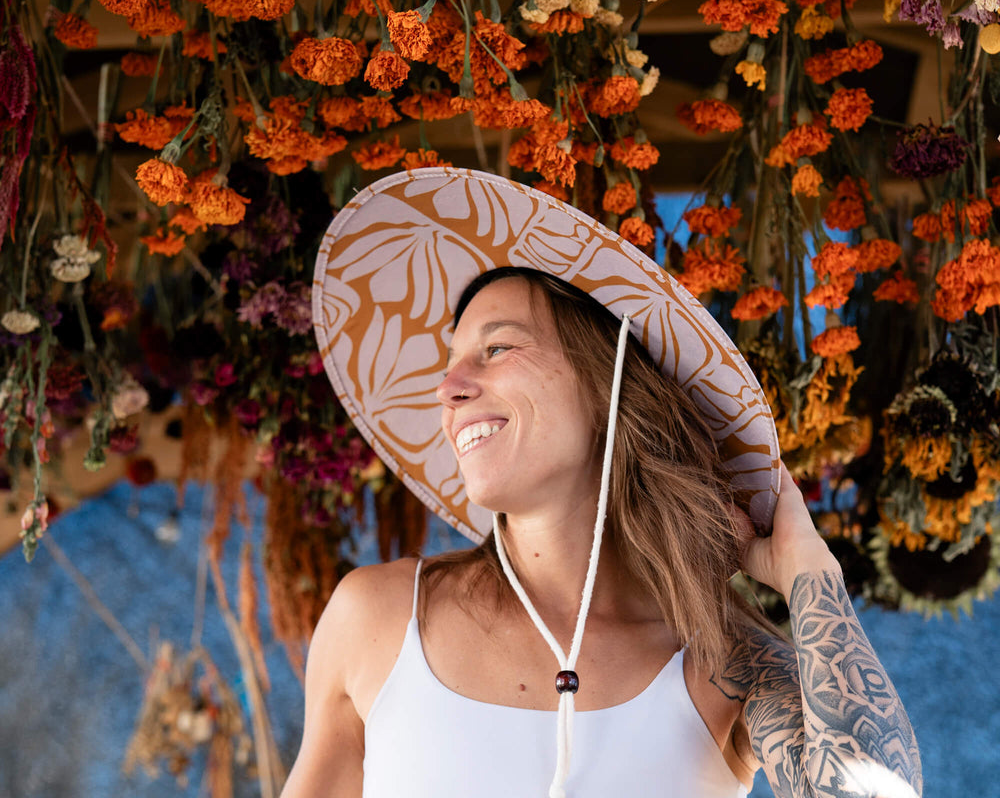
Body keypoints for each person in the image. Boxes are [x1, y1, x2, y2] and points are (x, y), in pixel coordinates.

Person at [289, 168, 921, 798]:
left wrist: (809, 574)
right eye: (450, 364)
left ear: (606, 383)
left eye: (498, 349)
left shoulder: (726, 662)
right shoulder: (377, 618)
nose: (447, 391)